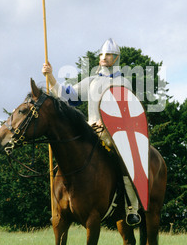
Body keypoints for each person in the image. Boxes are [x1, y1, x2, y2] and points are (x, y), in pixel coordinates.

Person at [42, 38, 141, 226]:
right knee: (66, 157)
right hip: (90, 132)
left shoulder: (123, 82)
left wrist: (110, 125)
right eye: (102, 54)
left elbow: (127, 112)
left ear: (116, 58)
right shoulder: (92, 81)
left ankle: (132, 209)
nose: (104, 58)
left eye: (109, 54)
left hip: (115, 134)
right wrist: (51, 75)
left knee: (126, 163)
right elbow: (66, 95)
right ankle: (60, 206)